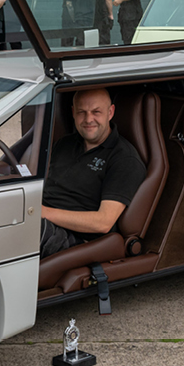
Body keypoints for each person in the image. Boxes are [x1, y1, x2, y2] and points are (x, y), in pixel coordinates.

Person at [40, 88, 145, 257]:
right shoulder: (64, 144)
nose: (88, 119)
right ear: (73, 112)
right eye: (82, 112)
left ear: (110, 112)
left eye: (96, 112)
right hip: (43, 220)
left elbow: (103, 222)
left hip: (77, 239)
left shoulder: (125, 159)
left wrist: (42, 213)